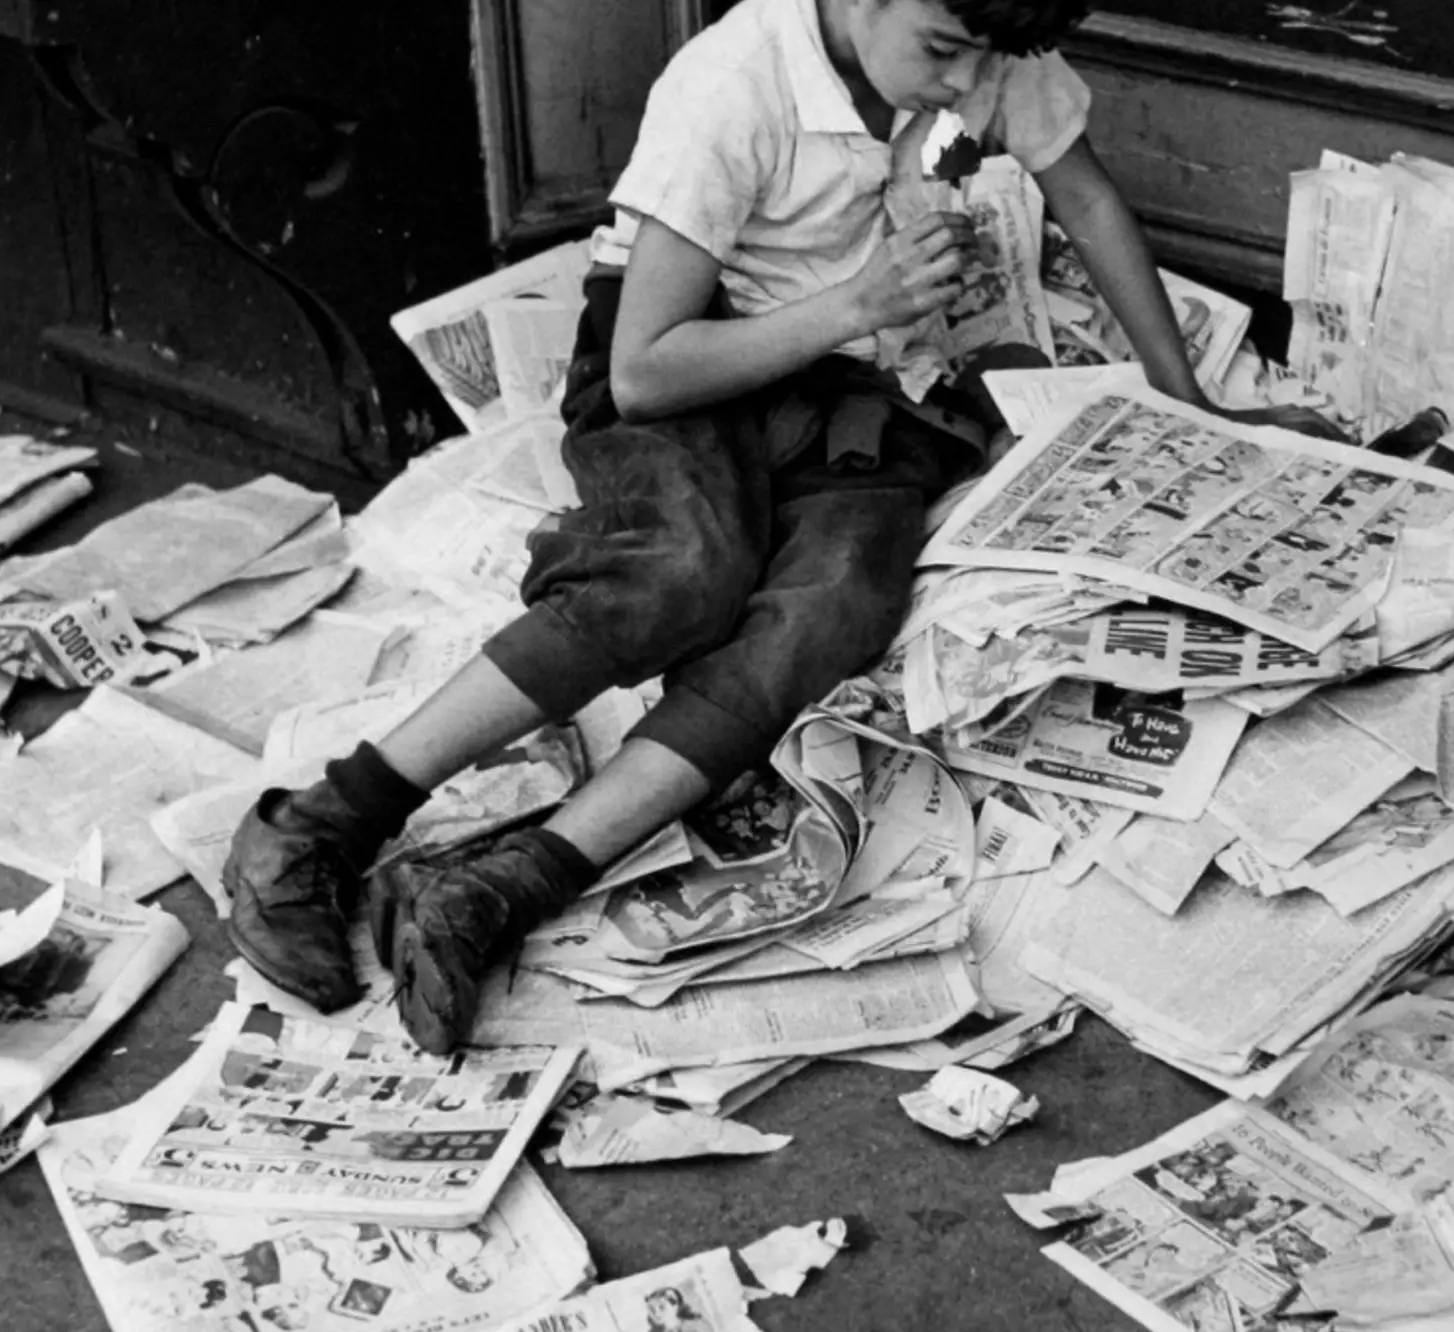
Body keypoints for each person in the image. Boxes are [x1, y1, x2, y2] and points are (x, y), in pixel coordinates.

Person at [225, 0, 1267, 1055]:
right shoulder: (734, 83)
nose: (963, 88)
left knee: (832, 610)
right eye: (944, 54)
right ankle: (321, 822)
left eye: (982, 65)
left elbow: (1085, 204)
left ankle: (499, 893)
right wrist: (860, 301)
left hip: (857, 389)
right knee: (681, 571)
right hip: (696, 357)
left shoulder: (982, 44)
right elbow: (644, 371)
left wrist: (1191, 405)